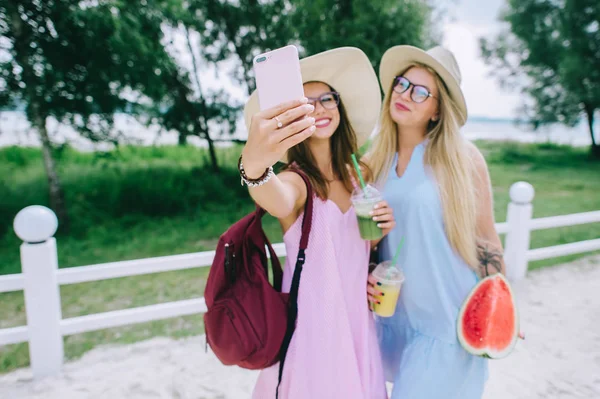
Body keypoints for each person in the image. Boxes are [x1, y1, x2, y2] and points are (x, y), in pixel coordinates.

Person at [240, 47, 392, 398]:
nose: (320, 109)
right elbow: (273, 197)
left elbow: (359, 249)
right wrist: (254, 167)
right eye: (307, 103)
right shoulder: (297, 181)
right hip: (313, 327)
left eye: (327, 99)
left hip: (357, 318)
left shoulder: (361, 174)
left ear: (339, 106)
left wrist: (382, 227)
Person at [365, 45, 506, 399]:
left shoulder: (463, 159)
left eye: (421, 92)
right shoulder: (373, 161)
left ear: (437, 109)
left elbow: (486, 239)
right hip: (394, 318)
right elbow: (368, 239)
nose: (405, 95)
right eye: (401, 83)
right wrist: (367, 271)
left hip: (447, 319)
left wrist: (502, 304)